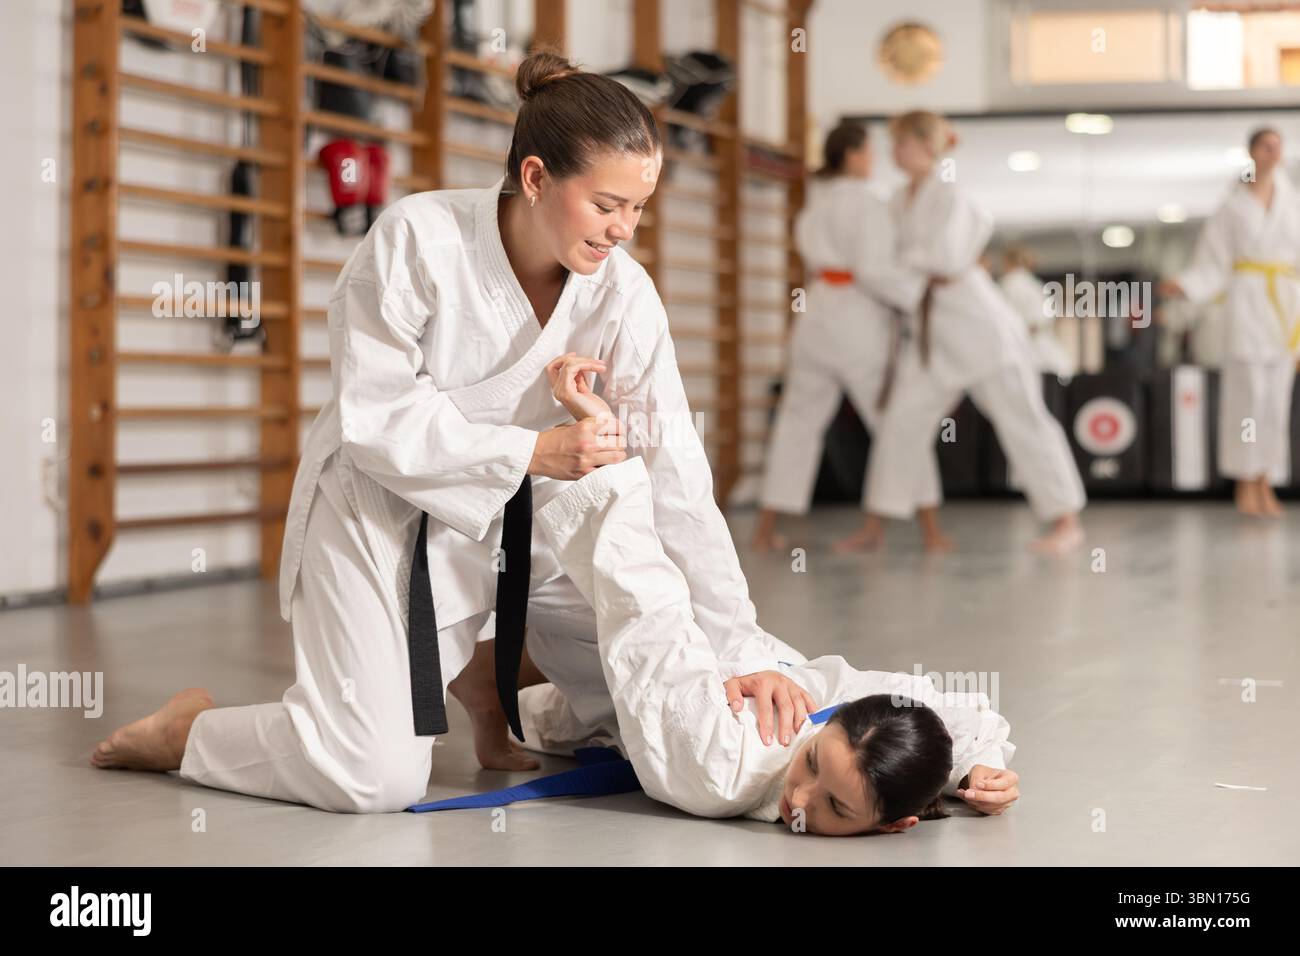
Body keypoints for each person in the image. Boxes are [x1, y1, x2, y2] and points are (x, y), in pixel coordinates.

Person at [90, 51, 811, 813]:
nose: (624, 231)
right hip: (379, 513)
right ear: (535, 178)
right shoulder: (419, 237)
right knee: (374, 779)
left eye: (638, 209)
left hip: (522, 520)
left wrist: (736, 646)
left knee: (671, 684)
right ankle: (192, 733)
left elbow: (675, 472)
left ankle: (493, 679)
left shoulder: (624, 295)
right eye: (607, 206)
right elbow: (377, 417)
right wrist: (532, 450)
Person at [517, 443, 1018, 833]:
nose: (800, 802)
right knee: (694, 527)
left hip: (601, 650)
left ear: (896, 826)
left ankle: (490, 687)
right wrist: (979, 772)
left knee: (527, 577)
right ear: (834, 720)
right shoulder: (852, 722)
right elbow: (953, 716)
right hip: (703, 648)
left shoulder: (722, 771)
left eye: (837, 809)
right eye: (814, 761)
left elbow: (646, 617)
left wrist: (599, 464)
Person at [851, 111, 1087, 554]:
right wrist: (888, 269)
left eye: (900, 142)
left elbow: (944, 257)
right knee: (902, 422)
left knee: (1023, 419)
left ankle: (1066, 521)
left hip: (980, 328)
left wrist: (894, 268)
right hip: (933, 332)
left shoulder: (954, 195)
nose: (893, 152)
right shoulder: (899, 199)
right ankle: (874, 526)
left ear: (926, 145)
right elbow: (886, 263)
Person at [753, 123, 950, 554]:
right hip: (857, 319)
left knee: (797, 421)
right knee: (898, 422)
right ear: (856, 156)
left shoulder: (816, 205)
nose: (876, 159)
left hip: (816, 314)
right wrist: (917, 291)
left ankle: (765, 530)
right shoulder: (869, 205)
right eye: (871, 152)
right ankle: (929, 530)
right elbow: (875, 270)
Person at [1159, 127, 1300, 517]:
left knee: (1276, 401)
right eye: (1265, 146)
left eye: (1278, 145)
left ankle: (1266, 479)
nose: (1273, 152)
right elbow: (1213, 260)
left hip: (1285, 307)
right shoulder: (1234, 204)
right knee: (1247, 399)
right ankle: (1244, 481)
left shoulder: (1293, 200)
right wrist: (1187, 283)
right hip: (1249, 303)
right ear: (1252, 152)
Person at [999, 246, 1074, 378]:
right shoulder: (1032, 284)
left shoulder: (1010, 284)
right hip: (1040, 348)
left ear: (1007, 262)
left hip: (1029, 349)